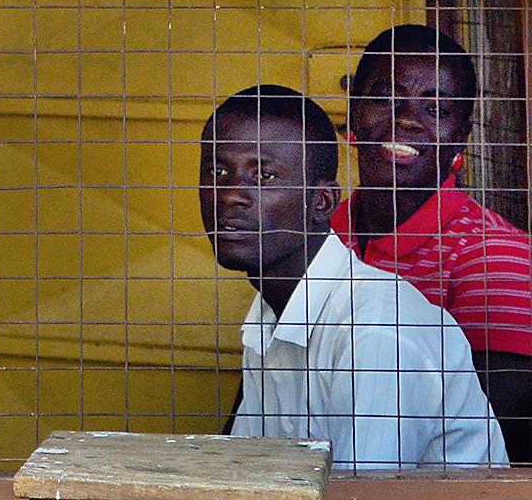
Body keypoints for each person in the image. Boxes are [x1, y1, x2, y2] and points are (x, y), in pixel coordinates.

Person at [199, 84, 504, 470]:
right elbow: (245, 476)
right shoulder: (271, 312)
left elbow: (363, 491)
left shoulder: (375, 332)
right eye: (218, 171)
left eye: (265, 175)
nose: (230, 195)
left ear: (321, 203)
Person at [334, 24, 532, 461]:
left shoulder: (496, 253)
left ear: (460, 136)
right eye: (386, 97)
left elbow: (500, 442)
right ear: (352, 113)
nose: (406, 118)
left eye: (437, 108)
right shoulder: (321, 235)